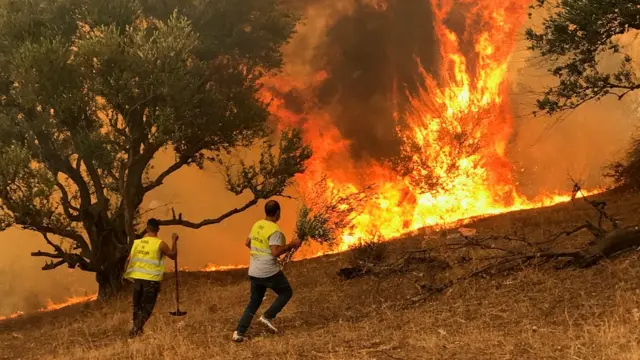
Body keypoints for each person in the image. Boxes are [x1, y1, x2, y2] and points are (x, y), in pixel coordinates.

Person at [232, 200, 301, 342]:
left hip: (254, 270)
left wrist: (259, 254)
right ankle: (267, 316)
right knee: (286, 292)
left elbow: (247, 243)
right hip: (268, 271)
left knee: (254, 302)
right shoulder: (274, 230)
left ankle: (239, 333)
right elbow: (276, 252)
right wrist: (292, 244)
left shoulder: (257, 224)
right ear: (277, 213)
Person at [123, 218, 178, 338]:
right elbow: (173, 256)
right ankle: (136, 329)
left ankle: (137, 330)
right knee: (147, 307)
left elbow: (128, 261)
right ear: (158, 229)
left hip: (137, 280)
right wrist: (174, 241)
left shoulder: (137, 243)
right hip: (151, 281)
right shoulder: (160, 244)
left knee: (137, 306)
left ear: (147, 229)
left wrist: (126, 276)